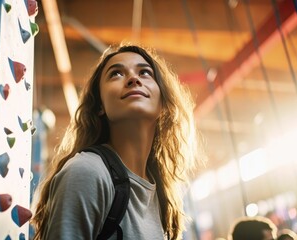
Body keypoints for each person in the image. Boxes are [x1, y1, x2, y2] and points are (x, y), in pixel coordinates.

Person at [31, 43, 203, 240]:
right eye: (116, 74)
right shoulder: (87, 171)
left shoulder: (163, 194)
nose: (133, 78)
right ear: (100, 106)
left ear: (163, 102)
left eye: (145, 72)